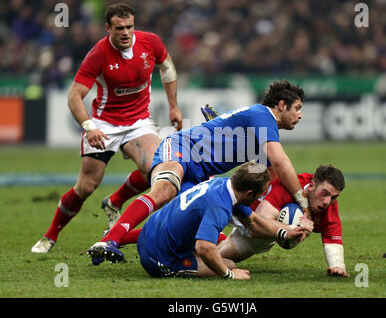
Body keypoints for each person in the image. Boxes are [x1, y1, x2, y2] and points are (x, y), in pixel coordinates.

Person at [88, 79, 314, 262]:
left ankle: (115, 237)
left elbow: (266, 178)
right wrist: (303, 204)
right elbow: (281, 162)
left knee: (199, 232)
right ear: (282, 105)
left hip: (200, 175)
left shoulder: (262, 132)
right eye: (297, 108)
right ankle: (109, 242)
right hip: (182, 149)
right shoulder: (263, 115)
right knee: (164, 191)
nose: (300, 115)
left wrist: (273, 218)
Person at [31, 3, 182, 253]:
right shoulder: (98, 54)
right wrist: (89, 127)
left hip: (138, 122)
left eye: (129, 27)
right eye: (119, 28)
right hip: (104, 124)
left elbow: (167, 68)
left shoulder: (151, 43)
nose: (125, 33)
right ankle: (50, 236)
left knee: (155, 170)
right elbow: (74, 96)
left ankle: (115, 201)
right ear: (108, 28)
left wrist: (173, 106)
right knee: (86, 186)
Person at [89, 162, 310, 278]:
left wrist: (284, 231)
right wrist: (229, 275)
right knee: (227, 263)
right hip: (158, 260)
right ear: (250, 193)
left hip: (149, 234)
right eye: (260, 194)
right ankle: (174, 267)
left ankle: (112, 238)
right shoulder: (219, 206)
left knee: (214, 246)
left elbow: (253, 221)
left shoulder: (225, 185)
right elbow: (204, 248)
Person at [218, 164, 350, 277]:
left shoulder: (329, 205)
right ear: (311, 185)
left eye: (333, 197)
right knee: (212, 260)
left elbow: (332, 238)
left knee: (221, 257)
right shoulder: (288, 187)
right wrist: (293, 228)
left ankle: (216, 240)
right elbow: (257, 226)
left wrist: (337, 266)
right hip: (235, 205)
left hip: (254, 228)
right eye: (324, 193)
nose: (327, 201)